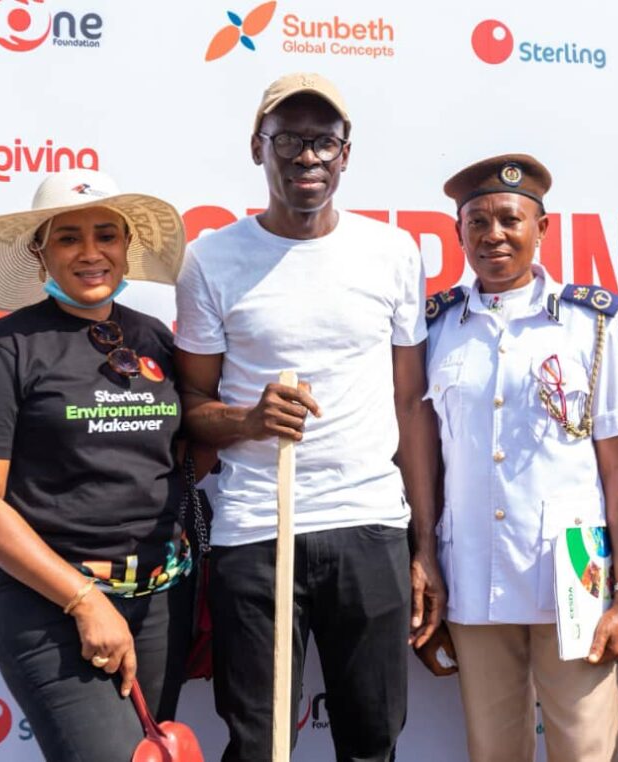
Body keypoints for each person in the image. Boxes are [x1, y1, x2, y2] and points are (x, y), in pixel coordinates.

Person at [174, 72, 444, 761]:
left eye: (323, 141)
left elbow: (410, 406)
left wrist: (421, 544)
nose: (307, 158)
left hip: (368, 523)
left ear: (345, 154)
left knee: (372, 739)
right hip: (258, 526)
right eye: (288, 139)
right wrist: (250, 421)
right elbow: (194, 414)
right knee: (259, 743)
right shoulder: (210, 260)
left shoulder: (392, 253)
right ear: (258, 148)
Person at [0, 169, 193, 762]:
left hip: (160, 600)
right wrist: (83, 600)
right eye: (68, 238)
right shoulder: (7, 346)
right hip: (51, 604)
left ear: (127, 248)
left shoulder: (155, 339)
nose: (90, 253)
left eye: (106, 235)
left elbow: (180, 453)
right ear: (41, 253)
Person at [423, 154, 618, 762]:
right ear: (459, 233)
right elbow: (426, 464)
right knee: (492, 752)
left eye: (510, 220)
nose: (494, 234)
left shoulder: (590, 324)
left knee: (587, 750)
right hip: (472, 575)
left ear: (542, 228)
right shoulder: (437, 327)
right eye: (478, 222)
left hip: (574, 578)